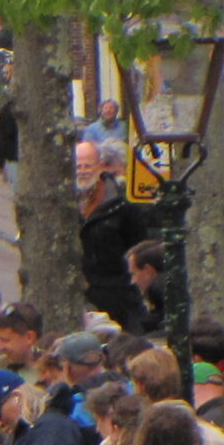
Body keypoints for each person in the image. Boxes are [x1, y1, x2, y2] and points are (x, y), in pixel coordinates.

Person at [76, 140, 149, 331]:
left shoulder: (121, 203)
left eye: (87, 165)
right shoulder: (65, 200)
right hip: (81, 295)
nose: (83, 171)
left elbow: (139, 245)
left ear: (100, 166)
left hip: (119, 295)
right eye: (78, 166)